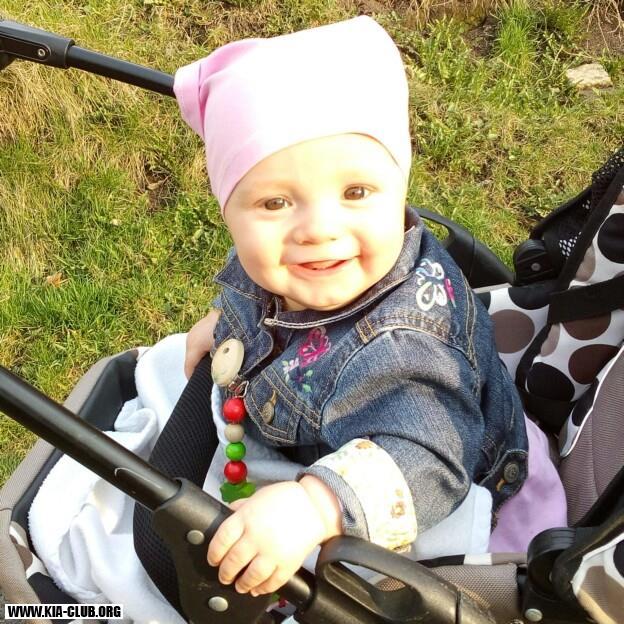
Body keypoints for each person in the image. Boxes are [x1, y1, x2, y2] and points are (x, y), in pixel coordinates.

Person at [174, 15, 567, 602]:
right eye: (275, 203)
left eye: (355, 192)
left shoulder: (404, 349)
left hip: (420, 479)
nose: (318, 229)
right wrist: (231, 324)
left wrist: (315, 506)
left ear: (400, 188)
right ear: (227, 209)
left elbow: (428, 458)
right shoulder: (294, 273)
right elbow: (255, 293)